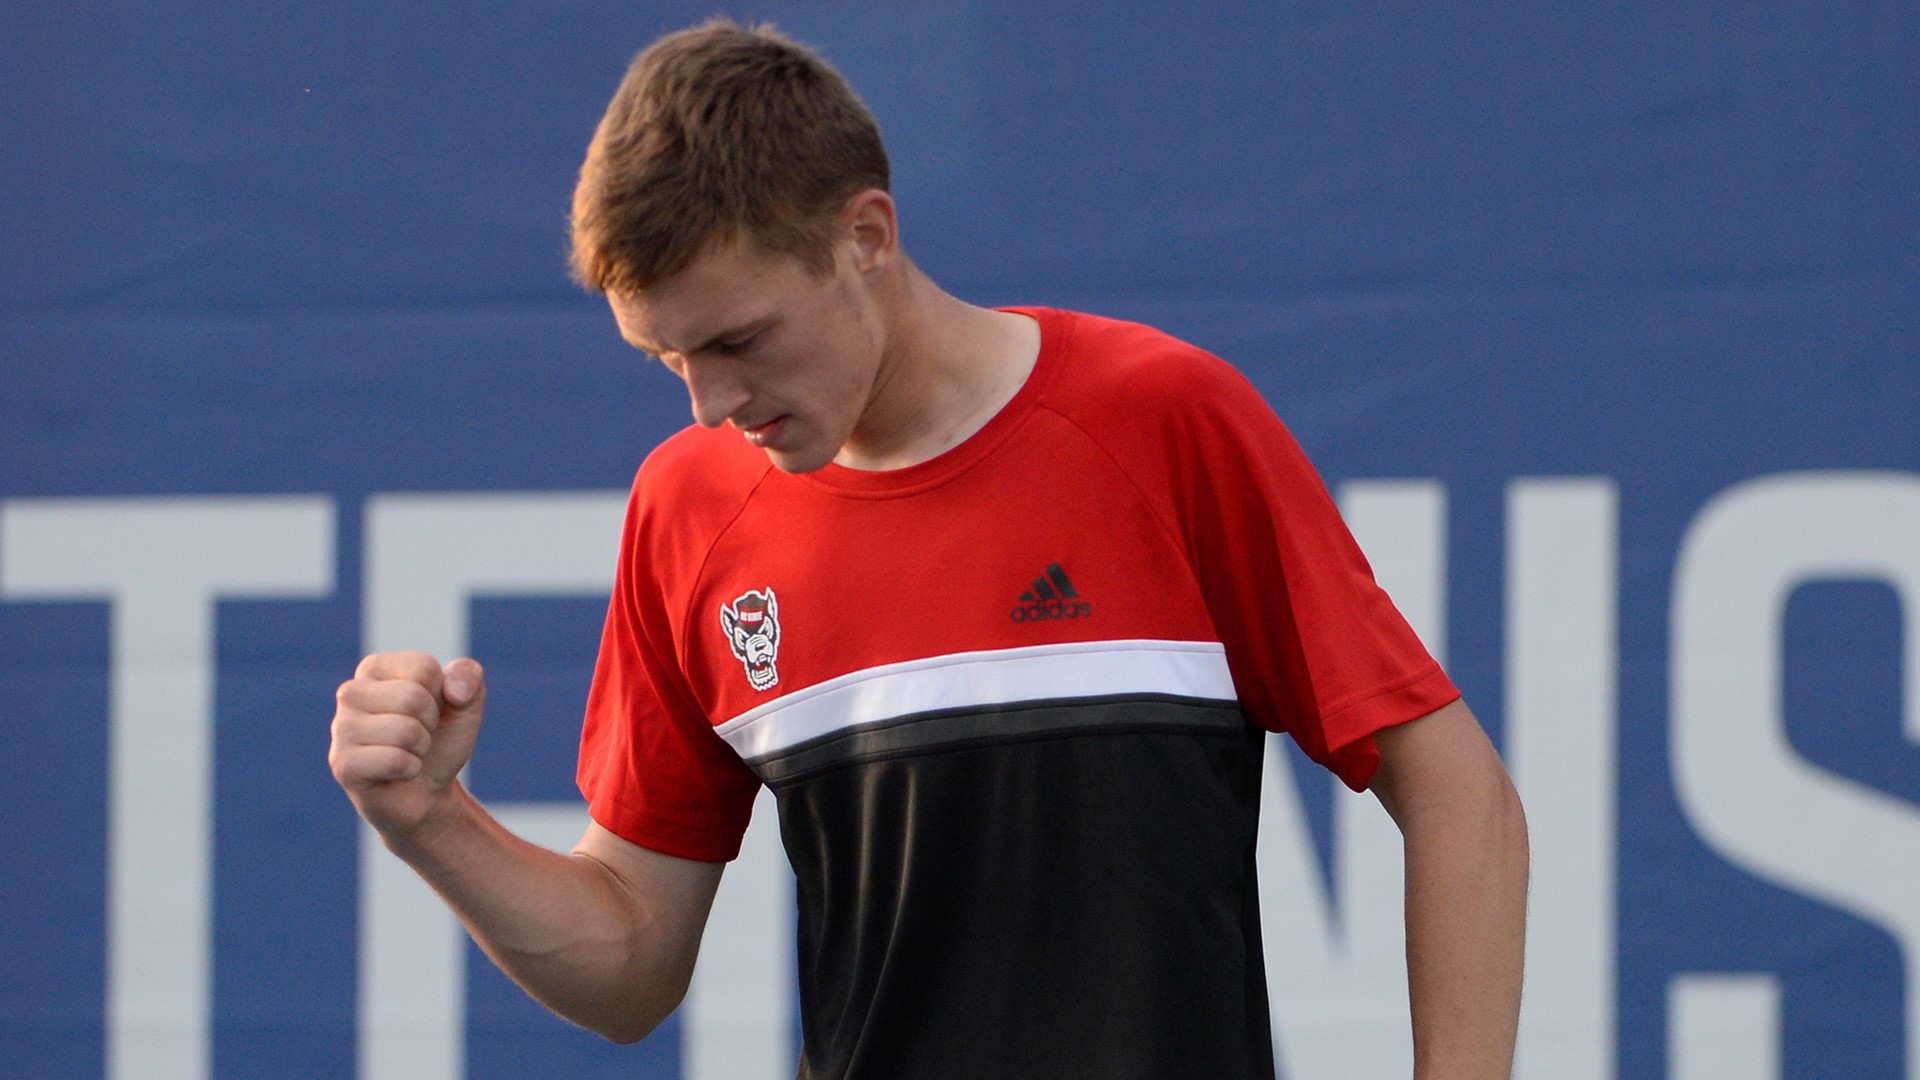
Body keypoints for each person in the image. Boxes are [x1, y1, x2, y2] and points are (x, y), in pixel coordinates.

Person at [329, 16, 1528, 1079]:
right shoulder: (685, 510)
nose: (708, 405)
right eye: (668, 357)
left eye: (739, 340)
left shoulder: (1163, 421)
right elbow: (632, 964)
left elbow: (1456, 791)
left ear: (866, 235)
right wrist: (432, 821)